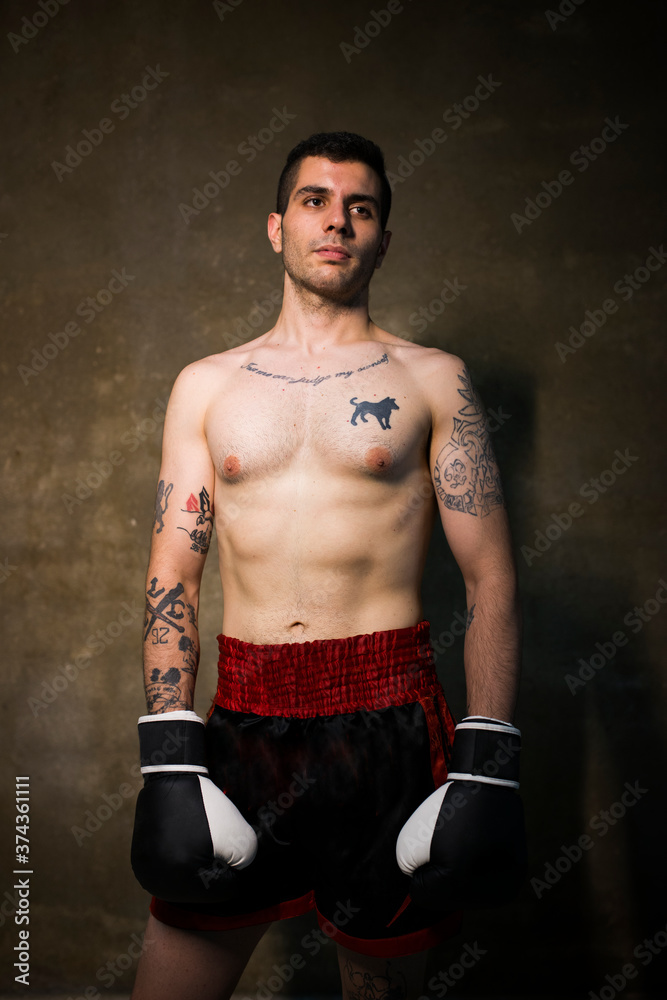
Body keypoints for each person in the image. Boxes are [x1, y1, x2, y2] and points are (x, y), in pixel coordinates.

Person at [129, 131, 524, 1000]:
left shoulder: (433, 381)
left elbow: (490, 577)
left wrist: (487, 758)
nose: (337, 222)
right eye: (315, 201)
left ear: (384, 236)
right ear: (277, 227)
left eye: (361, 208)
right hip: (242, 723)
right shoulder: (206, 385)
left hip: (387, 721)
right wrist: (167, 753)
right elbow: (173, 577)